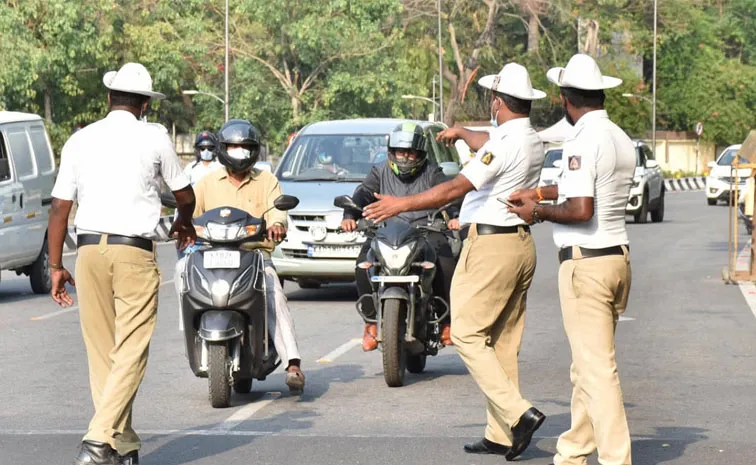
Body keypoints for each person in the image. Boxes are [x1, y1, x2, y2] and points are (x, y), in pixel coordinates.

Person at [363, 63, 547, 461]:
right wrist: (464, 132)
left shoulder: (502, 144)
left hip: (492, 247)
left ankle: (518, 414)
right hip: (520, 245)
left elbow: (456, 186)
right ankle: (500, 433)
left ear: (496, 102)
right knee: (501, 342)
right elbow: (490, 142)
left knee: (465, 335)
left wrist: (401, 203)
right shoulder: (528, 137)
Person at [47, 62, 196, 465]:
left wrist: (57, 266)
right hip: (133, 253)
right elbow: (185, 196)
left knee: (103, 354)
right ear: (145, 105)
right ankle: (98, 441)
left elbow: (61, 208)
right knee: (130, 351)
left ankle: (121, 445)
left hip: (90, 252)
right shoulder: (155, 137)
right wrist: (183, 225)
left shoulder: (81, 139)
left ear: (109, 98)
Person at [507, 54, 635, 465]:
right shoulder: (619, 136)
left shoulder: (582, 140)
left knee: (597, 370)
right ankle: (574, 449)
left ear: (565, 99)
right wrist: (541, 194)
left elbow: (581, 209)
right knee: (586, 366)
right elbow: (582, 185)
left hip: (587, 265)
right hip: (617, 259)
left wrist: (536, 212)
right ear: (600, 93)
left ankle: (616, 458)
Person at [176, 118, 306, 393]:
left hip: (254, 256)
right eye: (233, 147)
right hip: (212, 255)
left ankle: (292, 362)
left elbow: (277, 211)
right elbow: (189, 214)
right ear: (223, 149)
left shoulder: (266, 181)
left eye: (245, 147)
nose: (239, 152)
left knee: (274, 293)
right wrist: (182, 226)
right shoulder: (206, 183)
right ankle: (191, 329)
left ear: (254, 150)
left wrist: (277, 225)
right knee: (183, 275)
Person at [340, 122, 460, 350]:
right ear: (391, 152)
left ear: (421, 154)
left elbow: (448, 194)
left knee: (445, 263)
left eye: (411, 152)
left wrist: (454, 215)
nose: (405, 158)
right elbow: (363, 193)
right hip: (385, 233)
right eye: (400, 152)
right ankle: (371, 323)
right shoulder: (379, 171)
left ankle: (446, 322)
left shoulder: (432, 172)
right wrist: (350, 214)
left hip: (425, 231)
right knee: (363, 265)